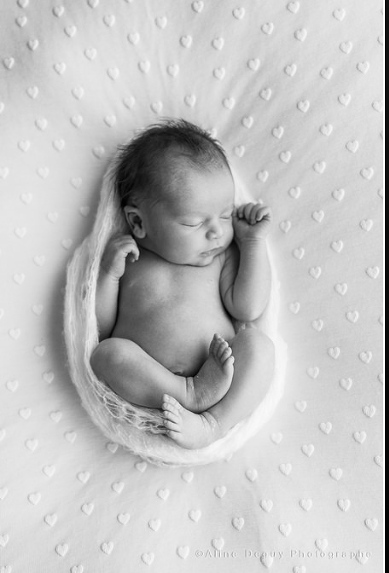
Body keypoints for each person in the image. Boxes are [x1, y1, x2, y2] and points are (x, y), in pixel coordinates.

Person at [91, 119, 276, 450]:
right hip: (149, 382)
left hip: (220, 367)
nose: (216, 232)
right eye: (193, 222)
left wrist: (252, 245)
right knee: (107, 354)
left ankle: (213, 423)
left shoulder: (220, 257)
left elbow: (248, 307)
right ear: (138, 222)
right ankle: (187, 392)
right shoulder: (130, 258)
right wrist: (108, 273)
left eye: (224, 215)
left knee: (259, 347)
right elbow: (102, 326)